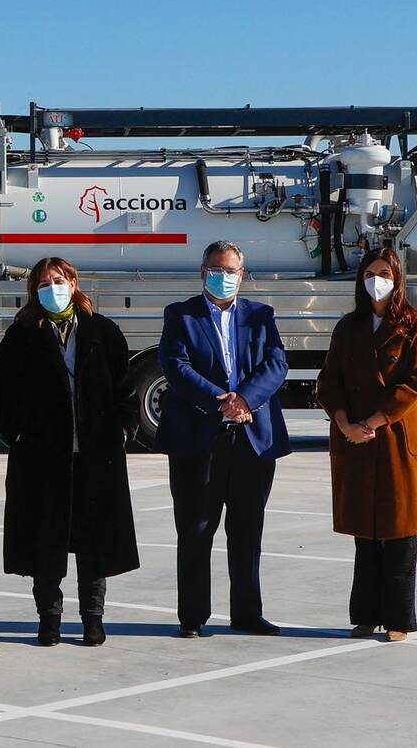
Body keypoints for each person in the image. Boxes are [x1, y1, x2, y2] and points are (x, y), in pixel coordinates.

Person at [0, 257, 140, 647]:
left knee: (94, 542)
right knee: (46, 543)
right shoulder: (21, 335)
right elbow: (0, 396)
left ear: (73, 283)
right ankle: (49, 619)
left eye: (58, 280)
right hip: (42, 458)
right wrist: (17, 436)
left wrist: (123, 428)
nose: (52, 288)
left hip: (96, 455)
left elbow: (125, 389)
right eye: (43, 283)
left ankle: (93, 617)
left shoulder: (103, 332)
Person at [155, 240, 291, 639]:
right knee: (196, 528)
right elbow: (174, 365)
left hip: (251, 438)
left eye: (231, 270)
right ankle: (193, 616)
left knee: (248, 530)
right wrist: (222, 402)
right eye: (216, 268)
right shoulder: (180, 315)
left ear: (242, 274)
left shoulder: (261, 316)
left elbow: (276, 363)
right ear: (202, 271)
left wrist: (246, 399)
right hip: (199, 438)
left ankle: (248, 613)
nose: (224, 276)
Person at [317, 247, 417, 642]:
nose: (376, 279)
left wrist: (374, 421)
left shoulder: (414, 325)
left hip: (397, 437)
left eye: (384, 272)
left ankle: (399, 618)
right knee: (365, 531)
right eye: (370, 272)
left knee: (400, 529)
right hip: (355, 438)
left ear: (398, 278)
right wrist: (345, 422)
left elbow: (414, 385)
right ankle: (365, 614)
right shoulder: (348, 327)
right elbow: (328, 381)